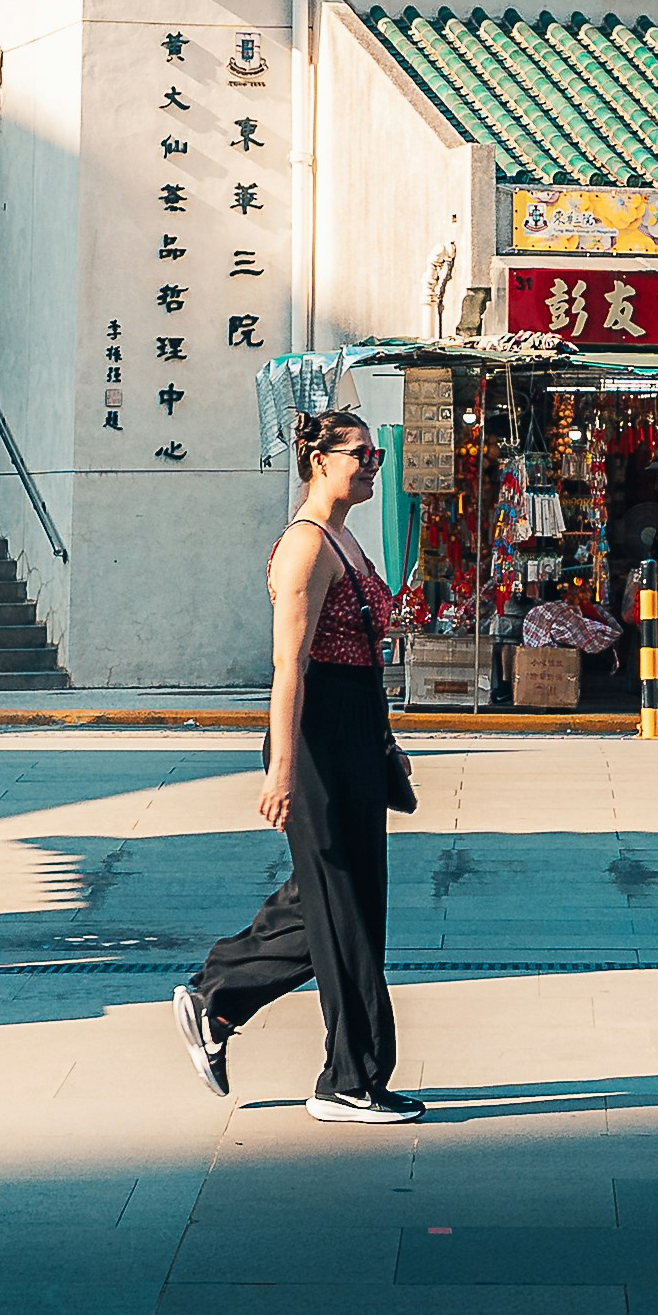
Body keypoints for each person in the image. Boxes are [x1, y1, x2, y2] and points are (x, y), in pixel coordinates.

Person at [178, 408, 421, 1123]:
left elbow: (365, 656)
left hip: (351, 730)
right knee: (341, 907)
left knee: (336, 900)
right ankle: (349, 1078)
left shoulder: (346, 537)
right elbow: (290, 666)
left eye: (376, 454)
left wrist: (382, 737)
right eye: (361, 454)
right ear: (319, 460)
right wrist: (281, 768)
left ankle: (215, 996)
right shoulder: (305, 548)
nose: (373, 465)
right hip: (313, 737)